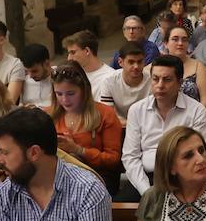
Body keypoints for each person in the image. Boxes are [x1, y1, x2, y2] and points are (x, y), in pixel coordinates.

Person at [121, 55, 206, 198]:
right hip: (147, 177)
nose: (160, 85)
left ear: (180, 83)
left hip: (183, 176)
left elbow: (200, 154)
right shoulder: (137, 110)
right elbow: (130, 157)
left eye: (167, 80)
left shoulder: (196, 110)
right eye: (155, 79)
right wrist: (146, 190)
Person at [48, 64, 123, 192]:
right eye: (59, 94)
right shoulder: (48, 116)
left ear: (84, 89)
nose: (65, 100)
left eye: (71, 93)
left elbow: (113, 160)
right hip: (56, 177)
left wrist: (79, 150)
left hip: (97, 177)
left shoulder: (105, 114)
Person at [165, 25, 206, 113]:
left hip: (193, 118)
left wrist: (192, 118)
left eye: (184, 40)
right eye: (175, 39)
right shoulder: (156, 67)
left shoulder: (198, 67)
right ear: (166, 43)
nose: (180, 43)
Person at [99, 43, 151, 120]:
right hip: (119, 125)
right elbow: (108, 116)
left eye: (139, 62)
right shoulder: (109, 81)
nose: (136, 66)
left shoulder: (153, 80)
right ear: (120, 62)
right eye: (131, 62)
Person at [63, 29, 115, 100]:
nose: (69, 58)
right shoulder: (73, 74)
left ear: (87, 51)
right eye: (68, 53)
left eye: (73, 52)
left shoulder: (110, 77)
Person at [19, 43, 54, 107]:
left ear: (47, 64)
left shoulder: (60, 78)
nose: (30, 76)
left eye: (34, 71)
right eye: (27, 71)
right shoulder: (23, 80)